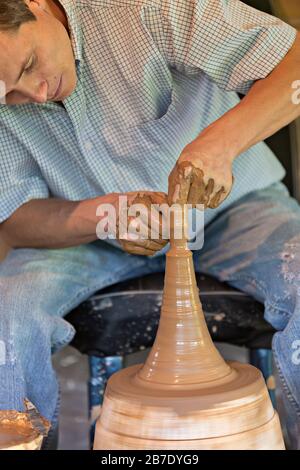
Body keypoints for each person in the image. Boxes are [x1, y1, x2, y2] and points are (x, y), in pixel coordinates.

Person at [0, 0, 300, 448]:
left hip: (238, 210)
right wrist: (101, 216)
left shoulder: (141, 8)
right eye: (9, 96)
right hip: (88, 238)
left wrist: (221, 142)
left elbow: (293, 61)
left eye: (29, 64)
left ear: (36, 5)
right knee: (7, 316)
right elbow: (14, 220)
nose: (36, 94)